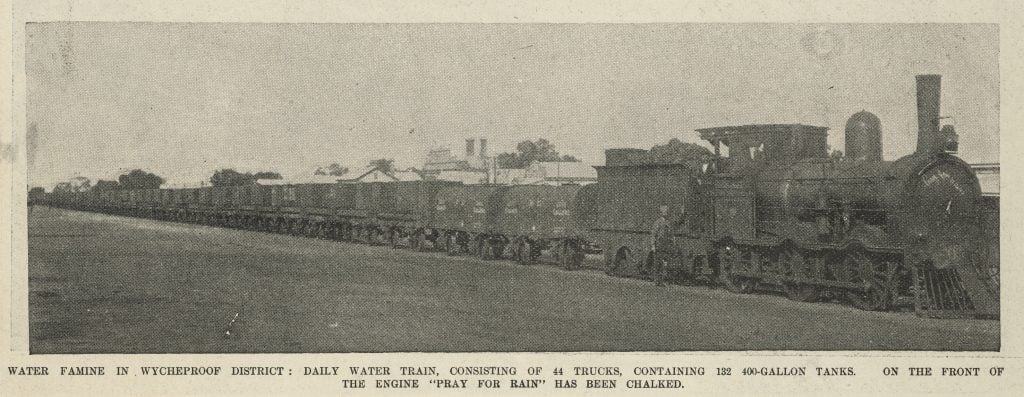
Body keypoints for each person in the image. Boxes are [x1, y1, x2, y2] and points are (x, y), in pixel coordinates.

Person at [650, 205, 673, 286]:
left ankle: (662, 281)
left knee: (664, 264)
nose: (666, 212)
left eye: (667, 211)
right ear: (661, 212)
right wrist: (653, 245)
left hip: (666, 245)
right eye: (664, 211)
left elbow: (670, 234)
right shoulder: (657, 222)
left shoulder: (668, 222)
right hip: (659, 245)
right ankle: (656, 281)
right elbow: (653, 234)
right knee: (657, 264)